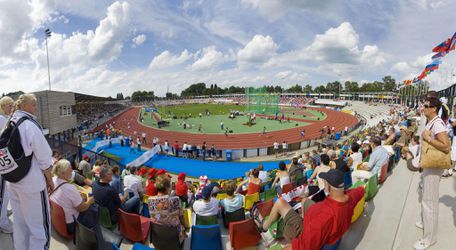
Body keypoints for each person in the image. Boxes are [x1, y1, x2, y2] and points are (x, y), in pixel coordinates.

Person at [256, 169, 364, 250]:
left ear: (329, 187)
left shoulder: (324, 219)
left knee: (280, 203)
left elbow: (301, 246)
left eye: (325, 182)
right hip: (317, 217)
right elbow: (361, 189)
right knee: (304, 200)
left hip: (308, 230)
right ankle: (300, 217)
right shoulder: (350, 196)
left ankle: (264, 227)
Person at [6, 94, 54, 250]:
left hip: (13, 182)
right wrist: (50, 180)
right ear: (24, 106)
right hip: (32, 185)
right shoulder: (29, 125)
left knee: (20, 226)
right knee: (39, 230)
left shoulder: (9, 122)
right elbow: (45, 159)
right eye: (33, 104)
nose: (36, 108)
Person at [414, 97, 450, 250]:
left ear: (434, 108)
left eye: (427, 106)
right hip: (429, 165)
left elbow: (445, 146)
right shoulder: (432, 121)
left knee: (430, 202)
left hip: (434, 167)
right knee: (425, 197)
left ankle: (429, 239)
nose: (424, 108)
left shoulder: (438, 124)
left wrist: (428, 138)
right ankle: (425, 223)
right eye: (424, 105)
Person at [50, 159, 95, 234]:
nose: (72, 170)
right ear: (63, 173)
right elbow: (82, 208)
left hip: (60, 220)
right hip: (71, 225)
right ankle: (93, 232)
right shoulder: (70, 188)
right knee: (93, 207)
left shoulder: (53, 180)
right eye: (70, 168)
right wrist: (90, 200)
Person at [148, 175, 188, 245]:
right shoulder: (175, 200)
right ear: (167, 187)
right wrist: (186, 227)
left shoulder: (150, 200)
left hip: (157, 236)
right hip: (174, 236)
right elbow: (181, 218)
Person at [0, 96, 14, 234]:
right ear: (4, 106)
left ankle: (3, 215)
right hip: (2, 163)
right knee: (4, 194)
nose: (12, 108)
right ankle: (3, 223)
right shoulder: (3, 120)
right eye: (9, 106)